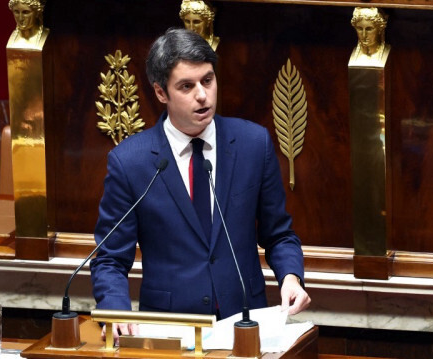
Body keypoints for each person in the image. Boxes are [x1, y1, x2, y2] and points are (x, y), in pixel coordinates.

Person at [90, 28, 310, 343]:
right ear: (161, 93)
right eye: (186, 86)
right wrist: (115, 309)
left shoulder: (252, 144)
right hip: (169, 331)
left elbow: (279, 235)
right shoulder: (131, 163)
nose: (202, 95)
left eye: (207, 80)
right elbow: (110, 258)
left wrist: (291, 277)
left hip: (245, 325)